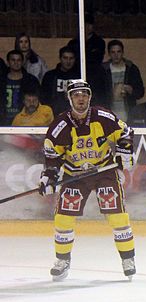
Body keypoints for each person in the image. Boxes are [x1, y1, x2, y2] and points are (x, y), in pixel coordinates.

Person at [38, 79, 136, 281]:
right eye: (76, 95)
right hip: (74, 175)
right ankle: (62, 260)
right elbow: (52, 156)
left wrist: (124, 151)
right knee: (63, 219)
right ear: (70, 98)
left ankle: (128, 259)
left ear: (89, 97)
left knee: (118, 218)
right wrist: (48, 176)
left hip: (104, 171)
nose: (80, 98)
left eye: (84, 95)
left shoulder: (102, 116)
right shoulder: (60, 126)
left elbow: (125, 132)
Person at [100, 39, 145, 121]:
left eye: (118, 52)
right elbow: (98, 93)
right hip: (108, 114)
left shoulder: (132, 69)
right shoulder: (103, 70)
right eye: (113, 52)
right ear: (109, 54)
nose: (116, 55)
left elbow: (140, 92)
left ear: (123, 52)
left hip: (128, 113)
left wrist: (131, 90)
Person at [1, 49, 39, 125]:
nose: (16, 63)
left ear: (22, 62)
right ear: (8, 62)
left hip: (25, 121)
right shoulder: (1, 80)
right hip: (2, 120)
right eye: (13, 60)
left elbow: (38, 101)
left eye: (19, 60)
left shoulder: (31, 80)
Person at [40, 46, 80, 116]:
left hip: (75, 116)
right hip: (53, 116)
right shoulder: (50, 76)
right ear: (60, 58)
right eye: (65, 58)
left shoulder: (79, 77)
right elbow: (44, 98)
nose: (68, 61)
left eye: (71, 58)